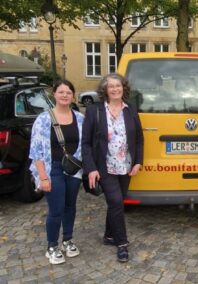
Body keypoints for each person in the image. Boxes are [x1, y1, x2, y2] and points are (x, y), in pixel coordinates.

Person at [82, 73, 144, 263]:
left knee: (116, 203)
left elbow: (139, 139)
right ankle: (121, 243)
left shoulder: (130, 109)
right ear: (105, 90)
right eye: (111, 86)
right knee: (117, 202)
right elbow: (85, 143)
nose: (115, 89)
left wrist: (138, 162)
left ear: (123, 88)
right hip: (105, 168)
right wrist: (91, 168)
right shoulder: (95, 111)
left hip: (125, 167)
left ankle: (109, 235)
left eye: (118, 86)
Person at [29, 80, 84, 265]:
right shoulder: (44, 119)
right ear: (54, 94)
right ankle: (52, 246)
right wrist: (43, 177)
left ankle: (67, 240)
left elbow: (85, 144)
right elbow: (36, 151)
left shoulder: (79, 118)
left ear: (73, 96)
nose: (65, 95)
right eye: (61, 92)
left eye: (69, 92)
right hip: (52, 169)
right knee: (56, 209)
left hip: (73, 169)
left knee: (70, 207)